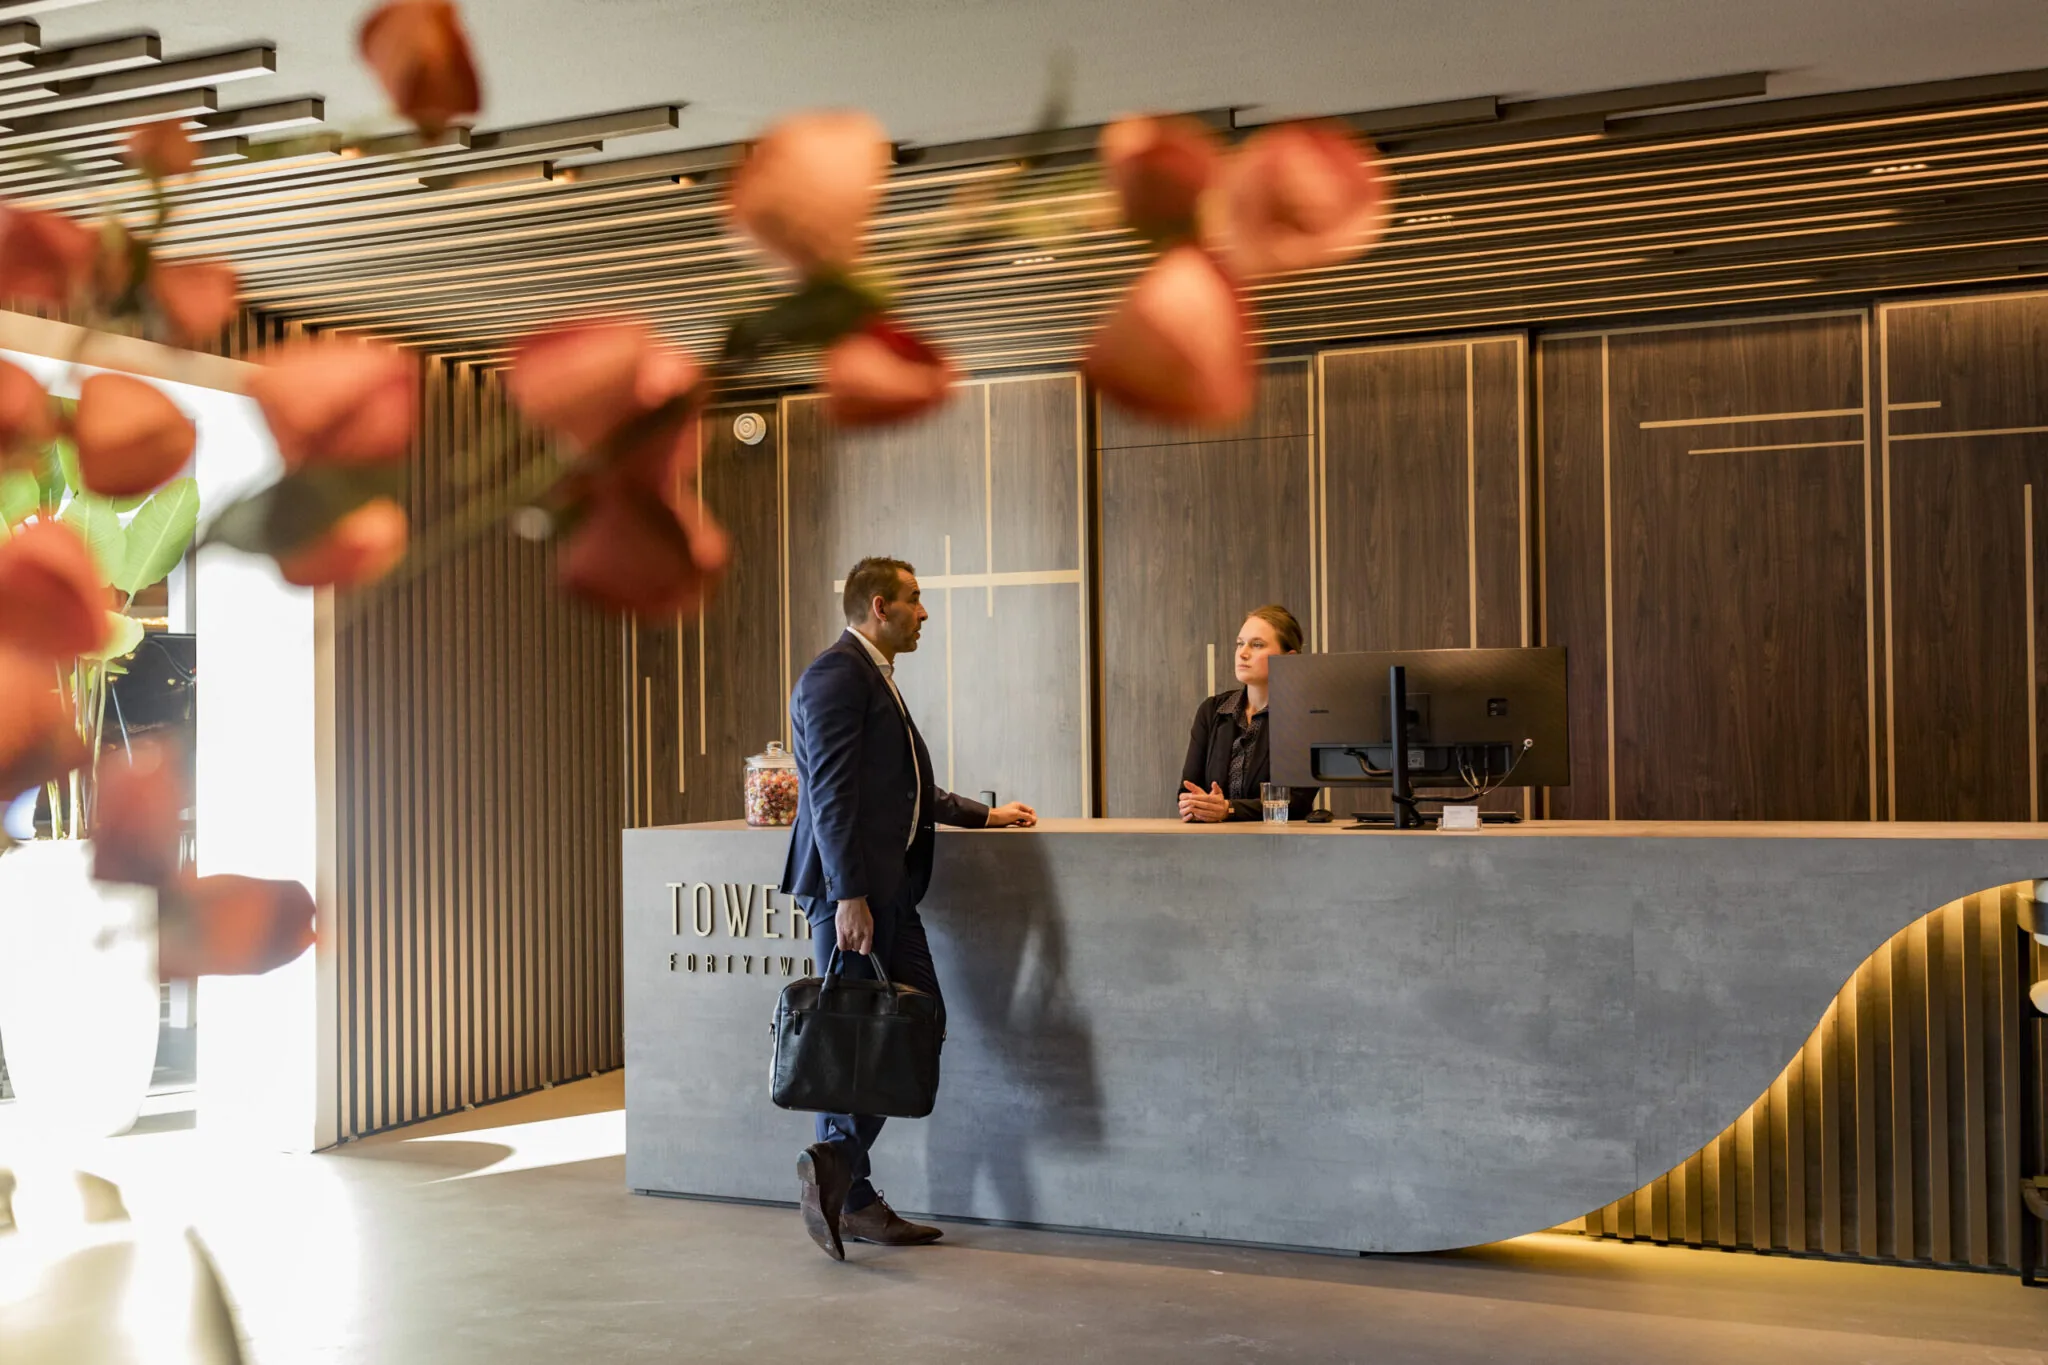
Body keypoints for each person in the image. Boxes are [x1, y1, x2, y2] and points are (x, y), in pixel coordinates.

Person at [779, 555, 1038, 1261]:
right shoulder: (838, 675)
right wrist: (849, 895)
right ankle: (840, 1171)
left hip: (885, 889)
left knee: (903, 1030)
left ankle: (846, 1181)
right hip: (858, 894)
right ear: (877, 607)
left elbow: (905, 788)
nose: (925, 613)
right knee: (873, 1038)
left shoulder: (872, 677)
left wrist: (986, 815)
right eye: (915, 600)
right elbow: (830, 794)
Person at [1177, 605, 1320, 822]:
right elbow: (1187, 790)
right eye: (1240, 643)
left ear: (1288, 658)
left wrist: (1229, 809)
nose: (1243, 653)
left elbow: (1297, 801)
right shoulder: (1212, 710)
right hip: (1211, 843)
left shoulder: (1305, 715)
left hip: (1278, 845)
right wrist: (1195, 805)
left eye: (1257, 645)